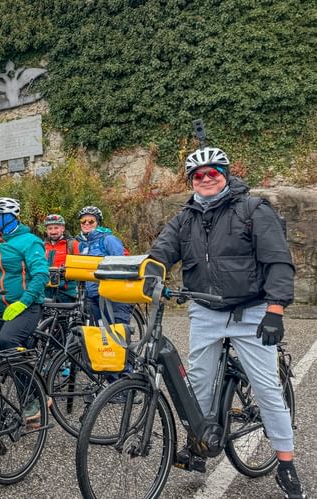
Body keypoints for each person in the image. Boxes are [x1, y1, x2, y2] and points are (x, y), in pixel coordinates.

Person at [148, 146, 306, 498]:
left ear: (225, 174)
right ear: (191, 180)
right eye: (198, 175)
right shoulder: (185, 217)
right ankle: (200, 444)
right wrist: (150, 273)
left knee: (266, 388)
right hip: (205, 310)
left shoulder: (252, 209)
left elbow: (278, 261)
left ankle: (286, 463)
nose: (206, 178)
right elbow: (161, 251)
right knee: (197, 383)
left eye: (213, 172)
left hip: (250, 310)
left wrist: (275, 311)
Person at [0, 197, 49, 421]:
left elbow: (41, 275)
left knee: (7, 340)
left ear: (8, 217)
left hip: (27, 306)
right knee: (1, 348)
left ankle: (32, 400)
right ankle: (35, 384)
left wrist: (24, 301)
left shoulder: (30, 242)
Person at [75, 205, 130, 324]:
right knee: (95, 330)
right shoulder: (82, 245)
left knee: (115, 329)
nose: (86, 223)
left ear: (98, 223)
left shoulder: (108, 239)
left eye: (91, 221)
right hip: (91, 294)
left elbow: (121, 263)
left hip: (109, 293)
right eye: (83, 221)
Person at [42, 214, 80, 303]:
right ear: (46, 230)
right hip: (46, 289)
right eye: (50, 228)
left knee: (66, 311)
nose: (53, 231)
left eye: (56, 228)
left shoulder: (72, 244)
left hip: (66, 290)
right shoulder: (43, 245)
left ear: (63, 228)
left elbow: (79, 268)